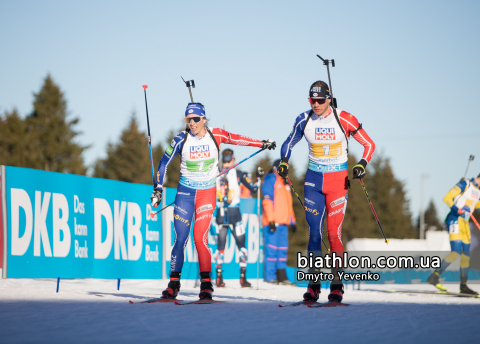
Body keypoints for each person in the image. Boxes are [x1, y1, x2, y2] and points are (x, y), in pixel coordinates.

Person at [151, 103, 276, 300]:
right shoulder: (180, 139)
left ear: (204, 119)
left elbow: (237, 139)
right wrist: (158, 188)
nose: (191, 123)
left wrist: (261, 143)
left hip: (206, 193)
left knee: (199, 237)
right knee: (180, 238)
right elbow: (163, 163)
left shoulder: (215, 135)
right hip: (185, 193)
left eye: (195, 119)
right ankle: (173, 283)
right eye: (188, 120)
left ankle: (206, 284)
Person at [278, 80, 375, 302]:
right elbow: (288, 142)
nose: (316, 104)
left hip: (337, 181)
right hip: (313, 181)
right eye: (312, 100)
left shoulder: (344, 118)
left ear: (329, 99)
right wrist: (284, 161)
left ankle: (337, 286)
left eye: (321, 100)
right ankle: (313, 286)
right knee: (314, 234)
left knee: (333, 234)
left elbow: (369, 144)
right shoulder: (304, 119)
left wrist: (361, 164)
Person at [427, 173, 480, 295]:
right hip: (455, 220)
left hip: (465, 224)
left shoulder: (478, 192)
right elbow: (446, 198)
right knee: (456, 252)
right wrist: (459, 209)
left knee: (466, 255)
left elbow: (477, 206)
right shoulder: (465, 184)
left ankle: (463, 286)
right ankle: (434, 276)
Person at [214, 149, 260, 288]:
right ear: (233, 159)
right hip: (234, 214)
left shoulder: (215, 173)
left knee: (220, 248)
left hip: (221, 214)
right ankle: (242, 278)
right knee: (242, 247)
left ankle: (218, 277)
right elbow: (253, 189)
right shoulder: (239, 174)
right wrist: (258, 179)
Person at [262, 159, 297, 285]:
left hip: (284, 222)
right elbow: (267, 201)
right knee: (272, 249)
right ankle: (271, 276)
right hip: (273, 222)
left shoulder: (285, 184)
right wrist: (271, 219)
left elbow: (289, 205)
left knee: (282, 249)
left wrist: (293, 221)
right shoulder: (271, 179)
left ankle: (282, 275)